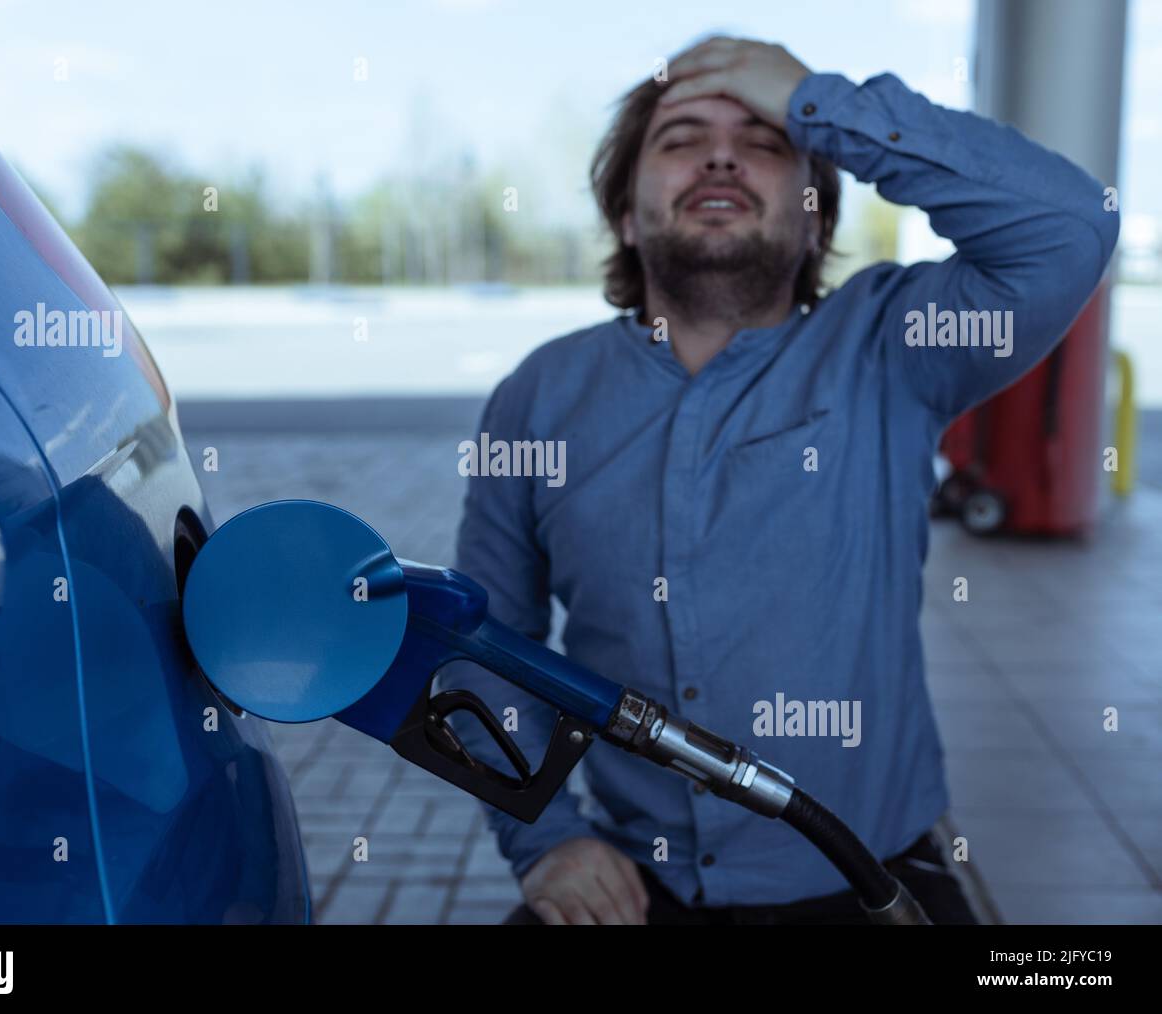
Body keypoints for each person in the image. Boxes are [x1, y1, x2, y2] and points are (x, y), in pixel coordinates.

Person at [437, 35, 1118, 925]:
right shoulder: (537, 396)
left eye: (763, 141)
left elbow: (1069, 225)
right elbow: (484, 642)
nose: (721, 153)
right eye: (681, 138)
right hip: (634, 890)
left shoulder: (893, 348)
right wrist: (547, 836)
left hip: (868, 879)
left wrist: (819, 102)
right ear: (628, 217)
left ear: (814, 221)